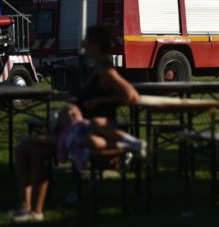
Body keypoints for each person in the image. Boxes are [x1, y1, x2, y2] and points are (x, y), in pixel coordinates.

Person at [10, 25, 144, 222]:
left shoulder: (106, 71)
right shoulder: (95, 69)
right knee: (27, 150)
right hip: (72, 127)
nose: (83, 45)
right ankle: (28, 207)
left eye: (86, 42)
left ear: (96, 45)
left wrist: (101, 101)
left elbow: (132, 95)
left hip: (85, 132)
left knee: (30, 149)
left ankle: (34, 209)